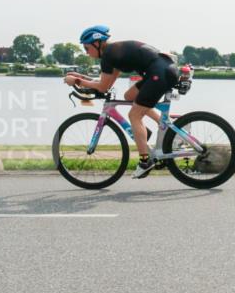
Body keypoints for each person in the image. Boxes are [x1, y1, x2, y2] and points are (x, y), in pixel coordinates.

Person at [63, 25, 178, 179]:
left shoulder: (109, 55)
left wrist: (77, 80)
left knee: (134, 116)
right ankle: (162, 126)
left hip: (159, 74)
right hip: (161, 70)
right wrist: (81, 78)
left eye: (87, 48)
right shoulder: (113, 53)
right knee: (129, 96)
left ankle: (145, 161)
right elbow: (106, 83)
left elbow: (102, 87)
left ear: (97, 43)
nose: (86, 52)